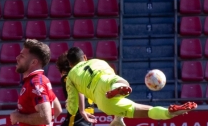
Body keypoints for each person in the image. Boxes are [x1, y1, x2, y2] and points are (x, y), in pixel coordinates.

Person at [64, 47, 197, 122]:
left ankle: (169, 113)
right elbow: (109, 74)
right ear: (85, 57)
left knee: (144, 112)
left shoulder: (70, 76)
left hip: (102, 101)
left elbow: (73, 105)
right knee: (121, 83)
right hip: (105, 80)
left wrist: (75, 110)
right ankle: (169, 112)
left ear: (70, 65)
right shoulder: (97, 61)